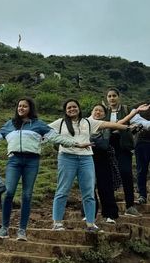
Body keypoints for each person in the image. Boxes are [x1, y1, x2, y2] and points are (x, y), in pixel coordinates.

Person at [0, 98, 89, 241]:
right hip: (14, 160)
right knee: (8, 193)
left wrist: (76, 144)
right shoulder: (10, 124)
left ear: (30, 108)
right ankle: (4, 229)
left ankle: (22, 231)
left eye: (24, 106)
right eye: (19, 106)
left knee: (27, 195)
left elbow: (56, 137)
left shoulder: (39, 125)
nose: (21, 108)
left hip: (32, 162)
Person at [50, 99, 131, 232]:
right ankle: (57, 222)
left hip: (86, 158)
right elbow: (43, 129)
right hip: (66, 158)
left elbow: (109, 124)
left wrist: (127, 127)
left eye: (74, 107)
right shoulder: (60, 122)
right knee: (62, 190)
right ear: (65, 110)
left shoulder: (88, 122)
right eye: (69, 108)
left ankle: (90, 223)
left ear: (79, 108)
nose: (72, 109)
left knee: (88, 192)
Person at [105, 88, 140, 215]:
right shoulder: (104, 112)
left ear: (118, 97)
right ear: (107, 98)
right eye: (109, 96)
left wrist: (135, 128)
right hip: (107, 147)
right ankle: (109, 208)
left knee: (126, 173)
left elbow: (138, 123)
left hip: (123, 146)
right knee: (107, 176)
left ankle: (130, 205)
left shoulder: (126, 110)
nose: (112, 98)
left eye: (114, 95)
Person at [88, 104, 121, 224]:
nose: (98, 112)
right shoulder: (85, 124)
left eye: (101, 111)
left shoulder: (107, 126)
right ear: (92, 112)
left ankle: (110, 214)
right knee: (88, 186)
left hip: (104, 158)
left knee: (105, 186)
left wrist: (91, 139)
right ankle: (89, 213)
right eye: (95, 110)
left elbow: (104, 144)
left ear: (104, 114)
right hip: (87, 158)